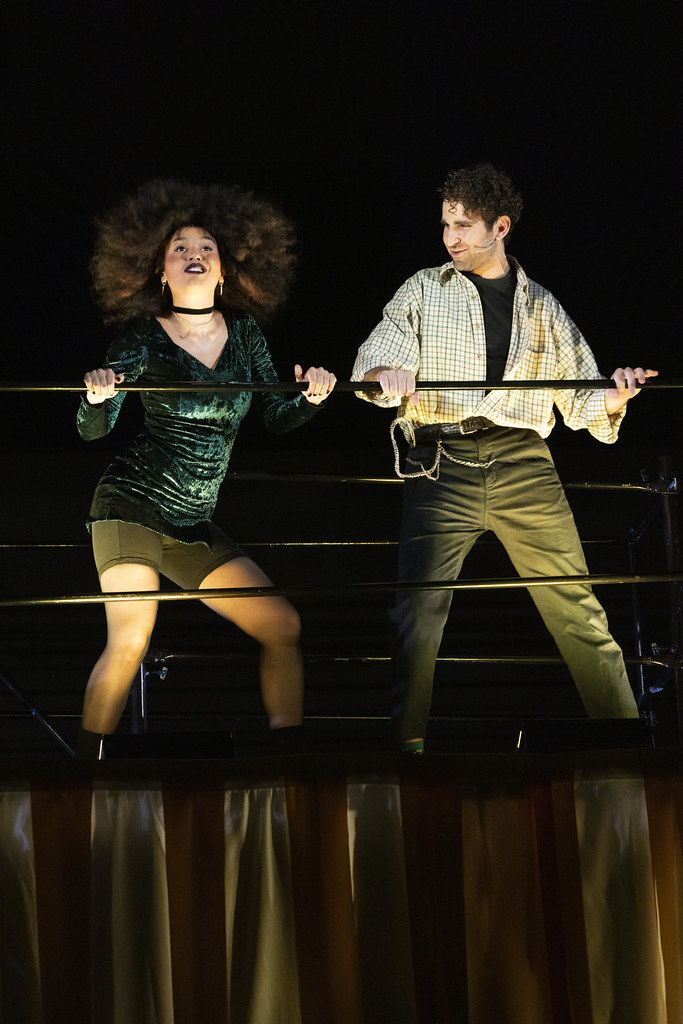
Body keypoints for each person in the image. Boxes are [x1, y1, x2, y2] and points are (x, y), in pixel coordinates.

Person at [351, 162, 657, 753]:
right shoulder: (422, 289)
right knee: (417, 615)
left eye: (464, 225)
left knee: (578, 610)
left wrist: (614, 395)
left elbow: (582, 398)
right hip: (443, 462)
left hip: (523, 463)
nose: (451, 238)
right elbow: (377, 360)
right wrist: (382, 374)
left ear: (501, 227)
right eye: (446, 225)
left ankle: (629, 750)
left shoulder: (541, 305)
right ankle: (404, 757)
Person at [76, 178, 336, 757]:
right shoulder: (142, 338)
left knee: (282, 625)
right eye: (180, 248)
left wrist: (311, 399)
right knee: (132, 636)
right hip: (131, 507)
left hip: (191, 523)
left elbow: (277, 416)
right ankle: (83, 780)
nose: (195, 254)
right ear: (160, 274)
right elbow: (91, 429)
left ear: (224, 272)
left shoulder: (245, 335)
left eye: (207, 248)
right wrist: (95, 399)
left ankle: (288, 769)